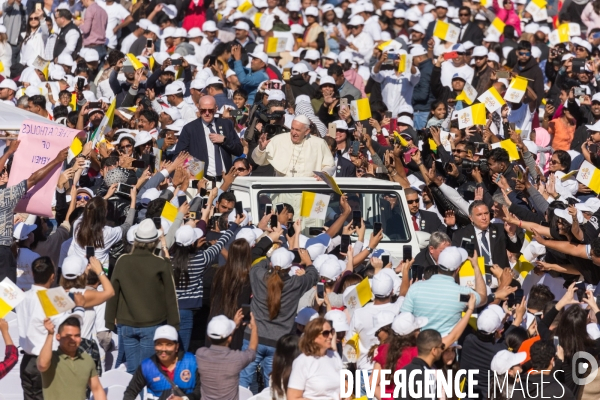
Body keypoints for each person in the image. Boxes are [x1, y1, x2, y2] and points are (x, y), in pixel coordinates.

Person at [104, 218, 180, 374]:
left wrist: (109, 321)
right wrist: (174, 326)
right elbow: (171, 297)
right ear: (154, 242)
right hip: (151, 323)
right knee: (148, 371)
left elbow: (113, 293)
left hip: (126, 324)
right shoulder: (161, 263)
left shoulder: (123, 261)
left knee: (132, 371)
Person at [239, 247, 318, 391]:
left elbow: (256, 264)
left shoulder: (258, 276)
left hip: (253, 337)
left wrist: (271, 257)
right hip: (279, 342)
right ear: (290, 268)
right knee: (273, 384)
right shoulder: (296, 283)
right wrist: (308, 262)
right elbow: (313, 276)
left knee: (243, 381)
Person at [0, 145, 67, 284]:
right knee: (6, 298)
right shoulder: (5, 196)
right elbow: (33, 179)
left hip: (5, 250)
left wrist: (9, 153)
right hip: (3, 252)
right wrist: (56, 160)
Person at [401, 246, 487, 333]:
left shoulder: (415, 288)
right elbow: (483, 297)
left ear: (438, 264)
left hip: (422, 343)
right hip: (449, 344)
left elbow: (404, 317)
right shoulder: (462, 293)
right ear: (458, 269)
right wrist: (476, 266)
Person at [175, 95, 244, 180]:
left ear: (216, 108)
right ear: (198, 109)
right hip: (202, 179)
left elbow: (239, 150)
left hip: (225, 179)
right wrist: (197, 170)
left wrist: (224, 140)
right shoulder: (189, 129)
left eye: (210, 110)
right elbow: (179, 155)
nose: (207, 113)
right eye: (203, 110)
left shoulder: (226, 124)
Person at [37, 317, 106, 400]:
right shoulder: (52, 358)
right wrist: (50, 334)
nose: (73, 340)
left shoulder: (87, 359)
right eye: (68, 336)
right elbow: (42, 365)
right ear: (58, 337)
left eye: (77, 335)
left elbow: (97, 389)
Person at [123, 325, 200, 400]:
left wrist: (184, 399)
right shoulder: (146, 366)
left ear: (176, 347)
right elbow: (131, 391)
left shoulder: (192, 362)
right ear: (154, 346)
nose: (163, 349)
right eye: (159, 344)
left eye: (169, 344)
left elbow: (201, 390)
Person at [196, 313, 258, 400]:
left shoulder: (200, 354)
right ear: (229, 338)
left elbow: (223, 339)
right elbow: (251, 352)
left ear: (208, 337)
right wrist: (254, 328)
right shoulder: (236, 358)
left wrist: (232, 327)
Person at [252, 115, 335, 177]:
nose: (293, 133)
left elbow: (329, 165)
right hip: (283, 190)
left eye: (298, 130)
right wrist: (261, 149)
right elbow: (259, 161)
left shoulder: (319, 143)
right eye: (292, 128)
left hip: (308, 190)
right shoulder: (278, 140)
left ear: (307, 131)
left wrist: (324, 174)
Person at [451, 200, 522, 267]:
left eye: (486, 213)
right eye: (479, 215)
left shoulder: (500, 229)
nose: (484, 217)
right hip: (476, 276)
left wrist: (511, 234)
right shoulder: (461, 235)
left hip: (500, 276)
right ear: (471, 218)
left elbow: (515, 249)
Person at [287, 317, 343, 400]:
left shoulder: (334, 356)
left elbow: (342, 382)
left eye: (331, 332)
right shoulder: (303, 361)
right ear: (313, 336)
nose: (331, 336)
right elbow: (293, 397)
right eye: (326, 333)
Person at [396, 329, 445, 400]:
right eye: (442, 346)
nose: (442, 350)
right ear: (434, 350)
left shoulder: (404, 370)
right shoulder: (426, 375)